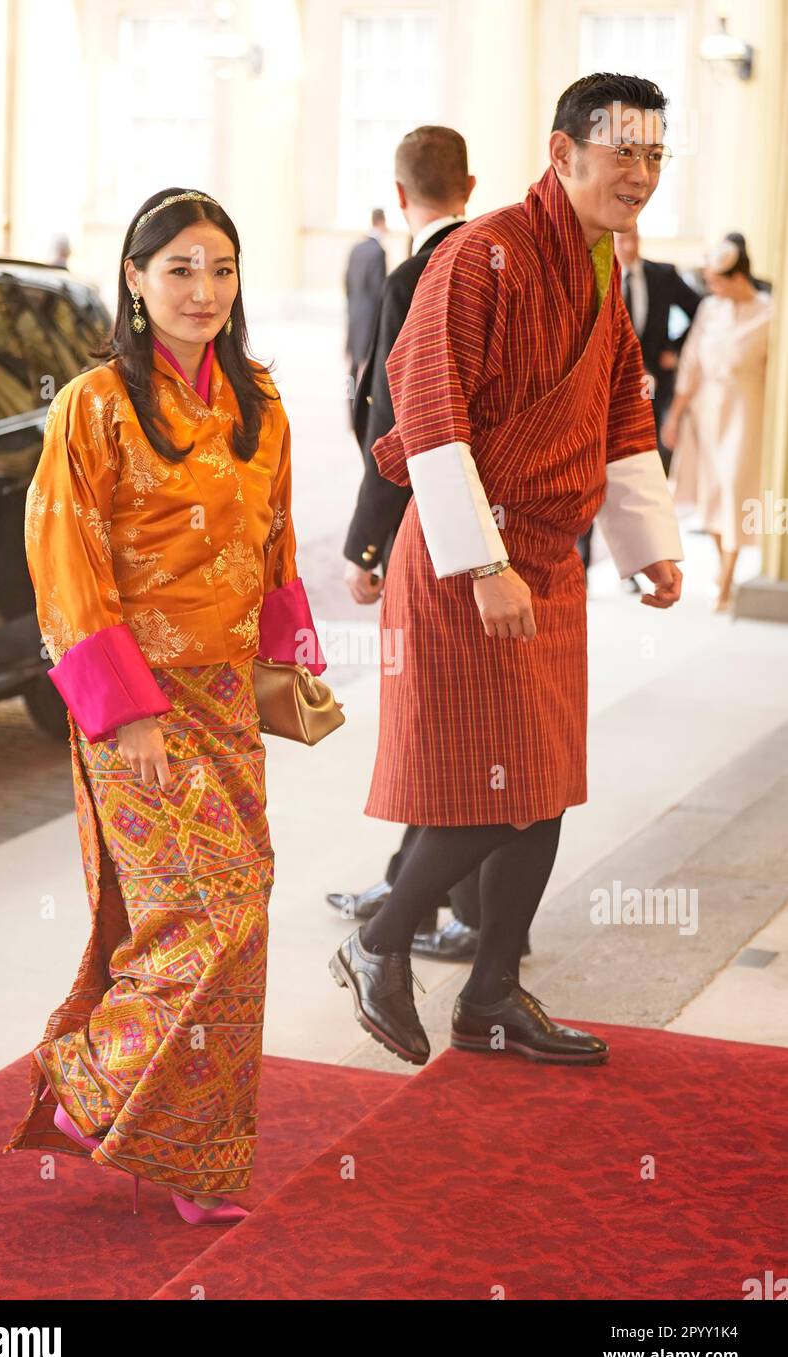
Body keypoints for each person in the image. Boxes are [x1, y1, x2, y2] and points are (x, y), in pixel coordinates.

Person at [329, 73, 684, 1068]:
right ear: (561, 151)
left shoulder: (598, 262)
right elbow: (427, 409)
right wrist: (482, 562)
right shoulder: (481, 253)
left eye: (654, 155)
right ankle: (377, 937)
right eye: (623, 152)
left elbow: (621, 407)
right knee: (488, 789)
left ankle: (489, 996)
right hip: (464, 559)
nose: (640, 173)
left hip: (545, 559)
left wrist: (646, 544)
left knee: (544, 781)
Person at [3, 186, 324, 1225]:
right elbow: (64, 561)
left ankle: (189, 1152)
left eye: (220, 269)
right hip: (136, 705)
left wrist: (287, 664)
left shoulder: (261, 399)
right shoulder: (91, 403)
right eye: (179, 268)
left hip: (227, 696)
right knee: (205, 912)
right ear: (135, 281)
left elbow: (275, 546)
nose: (203, 289)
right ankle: (89, 1075)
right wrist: (122, 711)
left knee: (246, 905)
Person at [332, 125, 495, 964]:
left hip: (437, 533)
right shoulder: (507, 263)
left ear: (400, 196)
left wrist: (369, 545)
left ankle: (441, 904)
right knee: (470, 724)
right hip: (501, 528)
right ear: (469, 183)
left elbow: (396, 421)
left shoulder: (415, 275)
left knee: (444, 723)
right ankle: (414, 884)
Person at [577, 224, 702, 587]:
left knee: (644, 470)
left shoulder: (662, 275)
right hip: (605, 391)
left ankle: (637, 562)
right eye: (622, 240)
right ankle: (584, 562)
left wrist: (674, 350)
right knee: (594, 470)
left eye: (634, 240)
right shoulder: (595, 274)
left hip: (653, 391)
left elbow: (700, 308)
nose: (629, 247)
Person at [662, 235, 773, 613]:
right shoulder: (709, 309)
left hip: (746, 413)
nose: (709, 288)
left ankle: (726, 582)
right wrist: (675, 415)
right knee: (711, 493)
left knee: (734, 489)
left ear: (736, 276)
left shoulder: (770, 313)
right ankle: (722, 567)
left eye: (715, 280)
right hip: (706, 412)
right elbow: (691, 363)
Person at [344, 209, 387, 422]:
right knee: (369, 368)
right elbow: (380, 289)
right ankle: (363, 412)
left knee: (352, 367)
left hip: (353, 315)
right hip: (370, 319)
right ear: (382, 223)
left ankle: (349, 408)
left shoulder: (356, 249)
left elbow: (347, 283)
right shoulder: (379, 252)